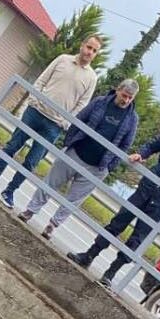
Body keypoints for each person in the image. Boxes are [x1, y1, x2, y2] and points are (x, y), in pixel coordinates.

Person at [67, 104, 160, 289]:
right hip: (149, 184)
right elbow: (155, 144)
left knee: (139, 237)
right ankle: (89, 255)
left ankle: (110, 274)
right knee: (118, 220)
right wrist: (141, 154)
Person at [0, 36, 101, 207]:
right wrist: (34, 100)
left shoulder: (91, 78)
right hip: (34, 113)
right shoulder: (63, 59)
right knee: (12, 146)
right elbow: (42, 80)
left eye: (94, 51)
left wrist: (65, 122)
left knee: (32, 161)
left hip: (54, 126)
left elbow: (82, 104)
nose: (90, 52)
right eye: (89, 47)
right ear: (82, 45)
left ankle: (10, 191)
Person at [19, 79, 140, 240]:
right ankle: (30, 210)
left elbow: (125, 145)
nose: (126, 100)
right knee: (50, 182)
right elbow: (79, 120)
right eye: (124, 95)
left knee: (74, 199)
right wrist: (69, 142)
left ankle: (52, 225)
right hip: (76, 151)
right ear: (118, 90)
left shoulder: (132, 119)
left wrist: (109, 166)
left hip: (98, 166)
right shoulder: (100, 102)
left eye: (130, 98)